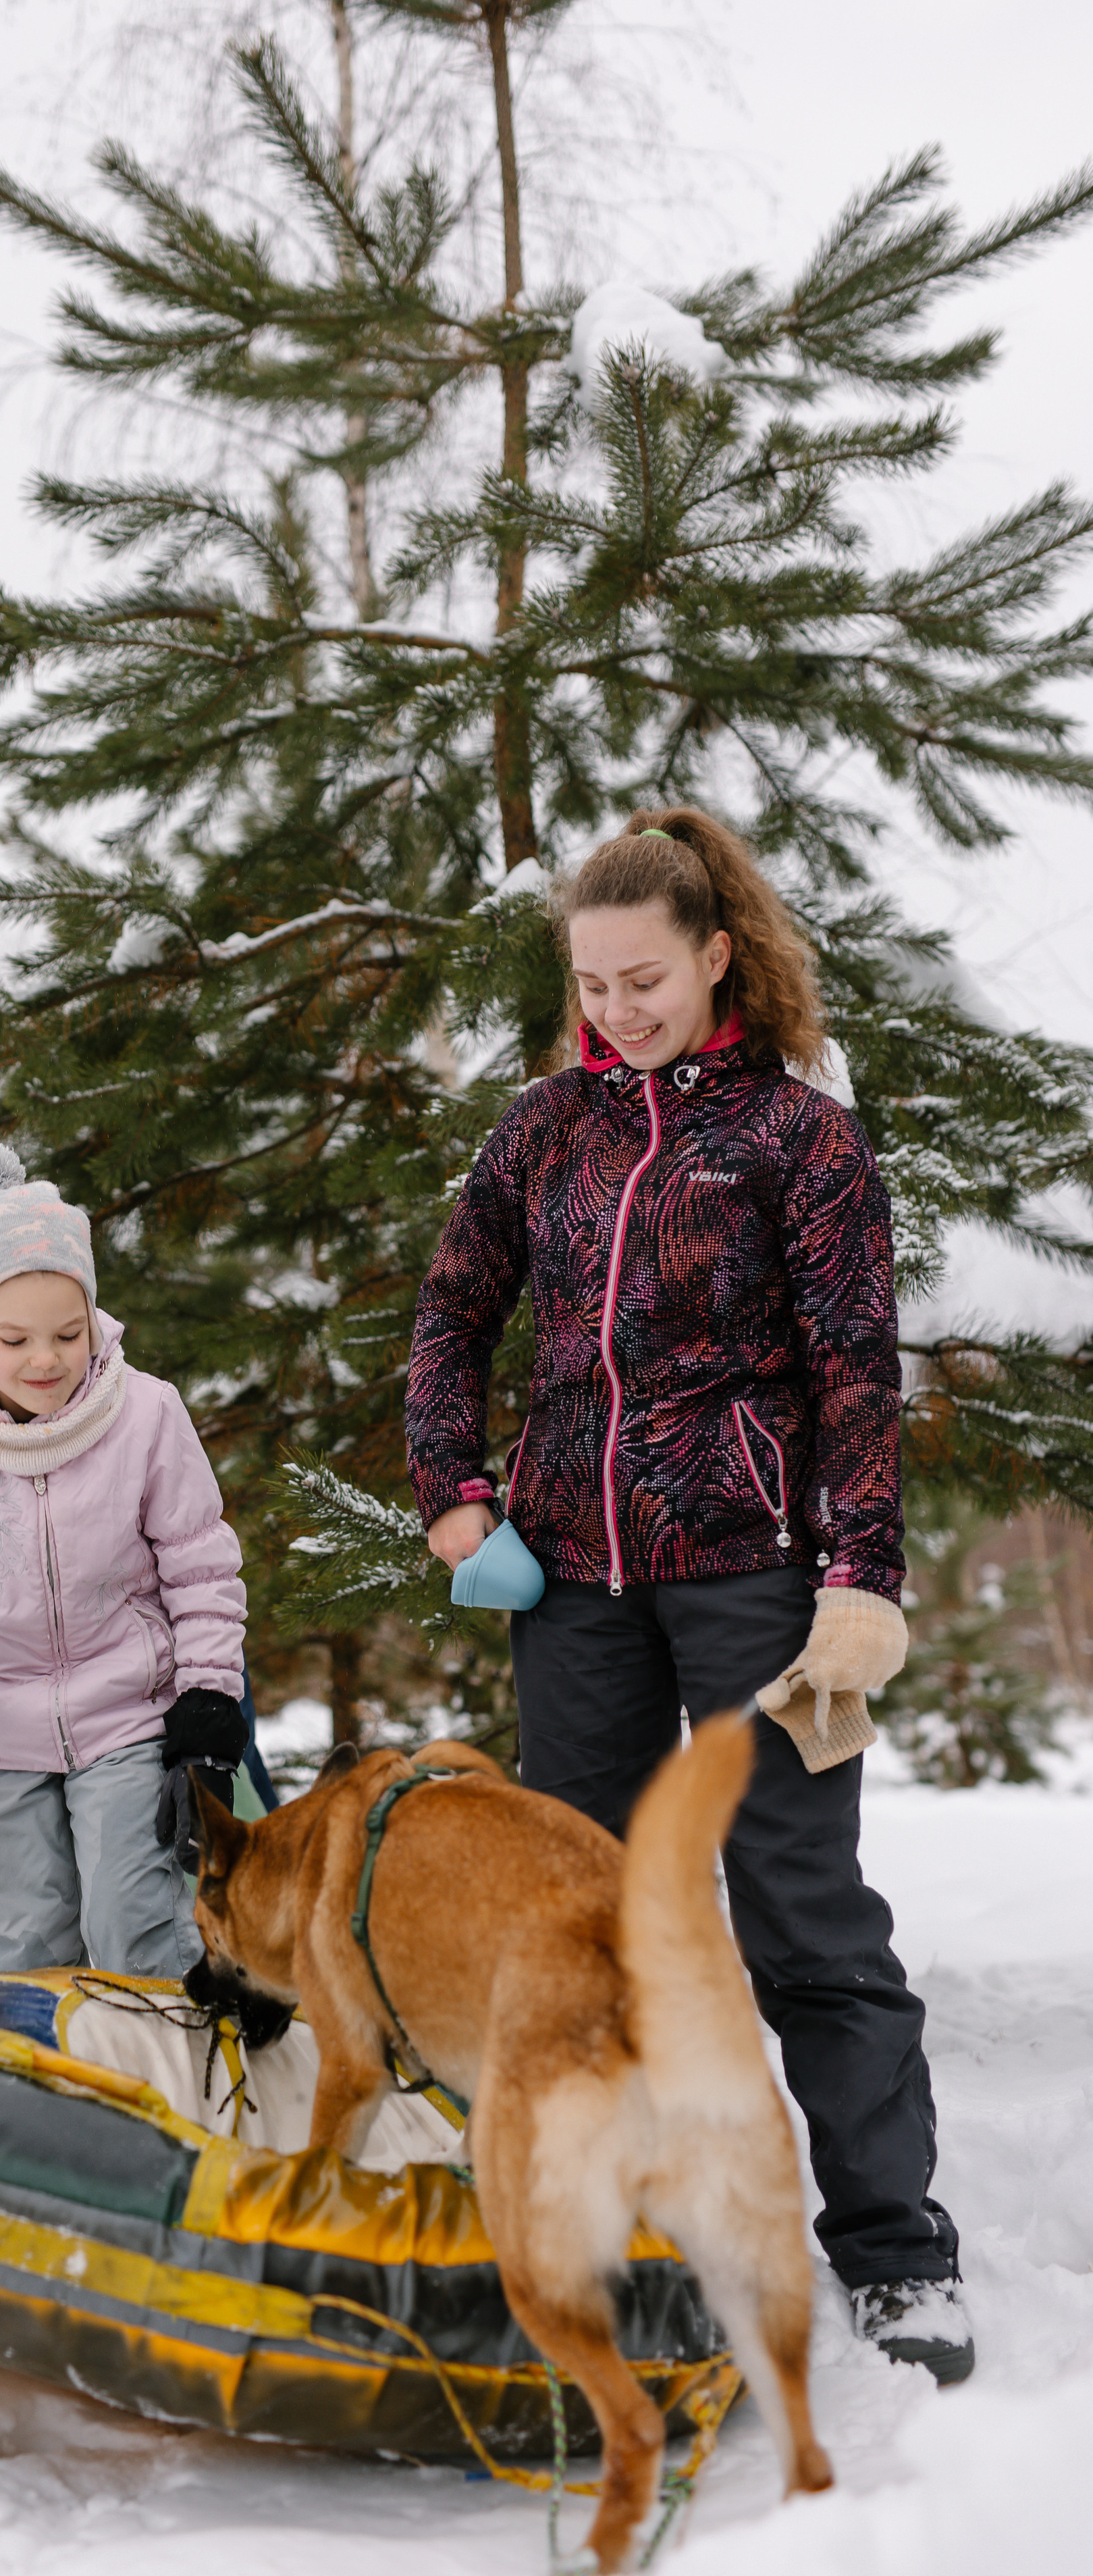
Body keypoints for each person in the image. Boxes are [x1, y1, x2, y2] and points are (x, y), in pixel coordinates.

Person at [405, 807, 973, 2386]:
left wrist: (856, 1579)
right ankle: (594, 2216)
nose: (614, 1009)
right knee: (575, 1914)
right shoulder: (539, 1133)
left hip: (754, 1576)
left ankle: (892, 2244)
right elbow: (450, 1315)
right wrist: (455, 1493)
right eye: (589, 983)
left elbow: (855, 1371)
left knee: (800, 1910)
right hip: (568, 1582)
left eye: (641, 977)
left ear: (717, 952)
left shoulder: (799, 1139)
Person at [0, 1143, 248, 1977]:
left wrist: (208, 1707)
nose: (46, 1359)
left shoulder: (146, 1414)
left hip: (128, 1718)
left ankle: (168, 2092)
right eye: (14, 1339)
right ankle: (37, 2095)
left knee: (136, 1927)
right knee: (19, 1943)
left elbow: (200, 1569)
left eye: (68, 1334)